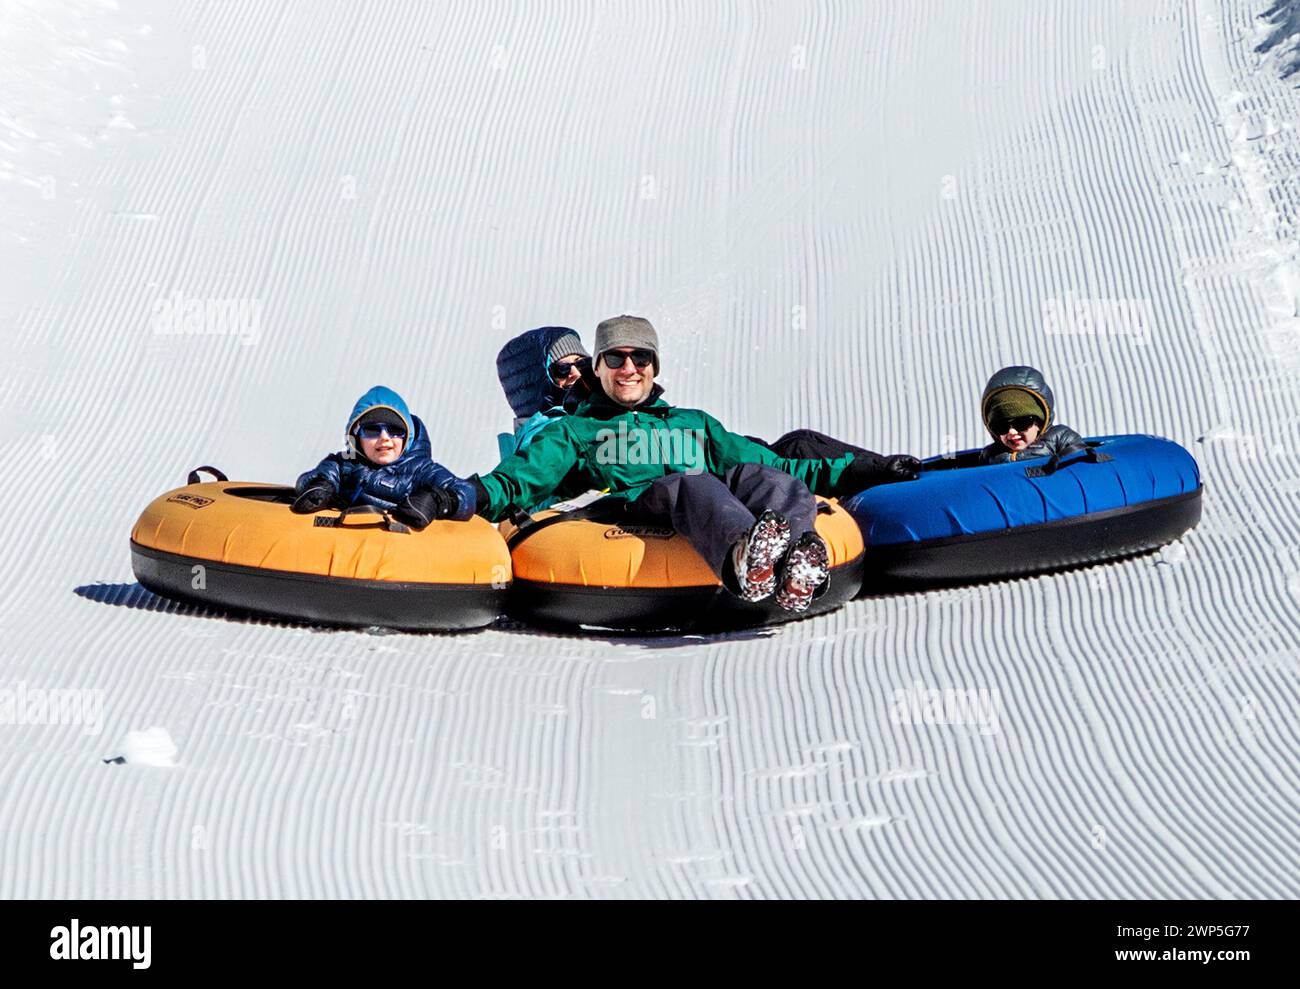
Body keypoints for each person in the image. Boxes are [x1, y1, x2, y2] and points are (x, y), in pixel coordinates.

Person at [472, 316, 918, 612]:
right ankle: (746, 557)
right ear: (601, 369)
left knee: (760, 475)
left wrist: (862, 469)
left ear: (654, 366)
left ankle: (798, 560)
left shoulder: (694, 424)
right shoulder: (573, 431)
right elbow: (520, 480)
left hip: (705, 497)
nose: (629, 368)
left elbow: (782, 465)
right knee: (690, 482)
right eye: (616, 358)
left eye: (640, 358)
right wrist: (467, 496)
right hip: (633, 509)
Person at [291, 385, 476, 530]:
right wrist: (320, 486)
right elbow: (312, 478)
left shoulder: (421, 469)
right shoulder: (344, 463)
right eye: (372, 430)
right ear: (356, 437)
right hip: (349, 547)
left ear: (408, 436)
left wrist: (439, 500)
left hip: (397, 551)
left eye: (396, 431)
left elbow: (466, 492)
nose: (384, 438)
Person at [978, 366, 1086, 464]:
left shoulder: (1060, 438)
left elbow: (1083, 463)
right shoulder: (990, 456)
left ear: (1039, 422)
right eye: (1001, 426)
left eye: (1021, 423)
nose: (1011, 432)